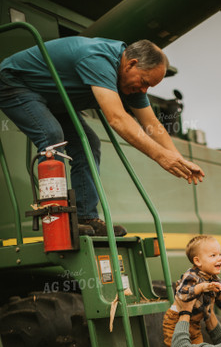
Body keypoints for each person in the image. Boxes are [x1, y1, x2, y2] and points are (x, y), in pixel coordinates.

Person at [0, 37, 204, 236]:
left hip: (52, 100)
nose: (143, 90)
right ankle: (55, 219)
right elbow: (117, 118)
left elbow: (152, 123)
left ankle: (85, 217)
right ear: (131, 64)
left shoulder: (131, 78)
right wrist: (161, 156)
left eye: (149, 87)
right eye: (143, 82)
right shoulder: (98, 58)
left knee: (88, 144)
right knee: (52, 136)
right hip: (13, 83)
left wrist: (179, 159)